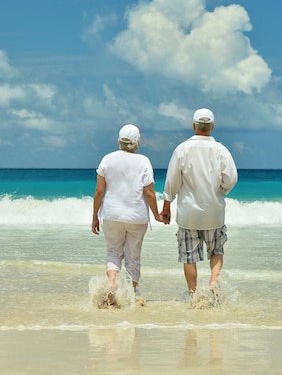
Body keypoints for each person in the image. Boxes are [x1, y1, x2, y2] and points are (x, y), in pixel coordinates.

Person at [160, 108, 238, 297]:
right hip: (214, 212)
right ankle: (213, 284)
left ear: (194, 126)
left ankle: (193, 294)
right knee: (216, 251)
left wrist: (166, 206)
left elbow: (172, 181)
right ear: (212, 126)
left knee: (189, 257)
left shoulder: (182, 149)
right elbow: (232, 178)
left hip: (188, 214)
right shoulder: (221, 149)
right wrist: (222, 190)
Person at [92, 124, 163, 305]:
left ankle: (111, 285)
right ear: (137, 142)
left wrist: (95, 216)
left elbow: (99, 191)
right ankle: (130, 295)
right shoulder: (144, 161)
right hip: (137, 217)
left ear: (119, 140)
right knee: (133, 256)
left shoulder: (107, 159)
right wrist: (157, 214)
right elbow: (149, 193)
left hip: (111, 214)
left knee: (113, 253)